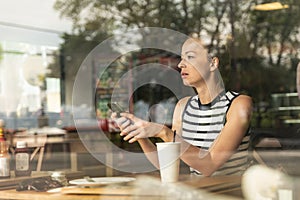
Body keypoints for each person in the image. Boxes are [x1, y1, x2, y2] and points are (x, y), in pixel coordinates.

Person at [112, 37, 253, 176]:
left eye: (190, 57)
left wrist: (163, 132)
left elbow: (209, 165)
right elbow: (169, 166)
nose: (180, 64)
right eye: (181, 58)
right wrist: (138, 133)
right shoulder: (183, 106)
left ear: (213, 63)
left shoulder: (238, 104)